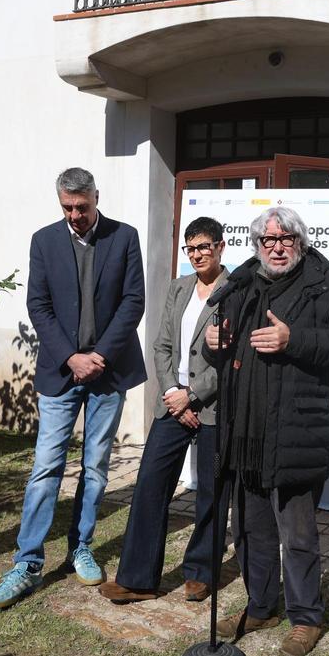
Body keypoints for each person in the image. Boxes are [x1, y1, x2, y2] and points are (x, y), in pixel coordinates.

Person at [203, 206, 329, 656]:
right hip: (246, 432)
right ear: (256, 246)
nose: (277, 247)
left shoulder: (326, 284)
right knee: (251, 530)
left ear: (301, 241)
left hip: (298, 432)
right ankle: (261, 605)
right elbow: (221, 342)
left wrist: (294, 339)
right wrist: (212, 343)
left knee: (297, 534)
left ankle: (305, 617)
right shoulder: (241, 284)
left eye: (286, 238)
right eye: (267, 240)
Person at [0, 167, 147, 609]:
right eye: (67, 208)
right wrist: (70, 357)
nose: (75, 215)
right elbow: (38, 303)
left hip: (109, 372)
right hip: (61, 372)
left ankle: (82, 546)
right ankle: (27, 561)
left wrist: (100, 356)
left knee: (95, 467)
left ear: (97, 197)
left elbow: (134, 301)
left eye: (82, 206)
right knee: (45, 469)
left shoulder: (124, 236)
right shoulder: (44, 240)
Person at [99, 216, 228, 603]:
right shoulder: (179, 288)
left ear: (221, 247)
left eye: (204, 246)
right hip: (172, 405)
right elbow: (162, 346)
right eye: (191, 248)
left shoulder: (237, 291)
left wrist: (194, 396)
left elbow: (236, 357)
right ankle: (138, 579)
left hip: (213, 408)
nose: (197, 254)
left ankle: (201, 573)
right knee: (151, 487)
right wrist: (173, 391)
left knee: (211, 492)